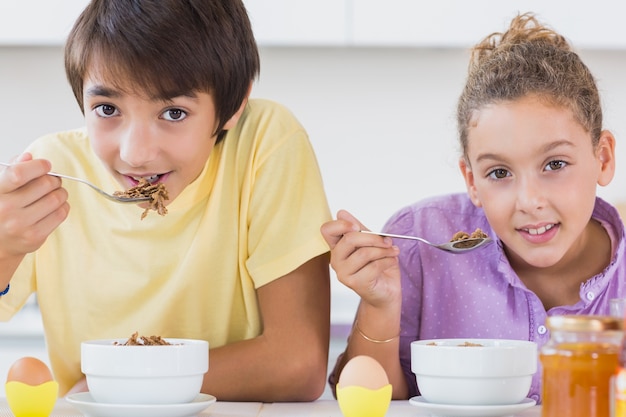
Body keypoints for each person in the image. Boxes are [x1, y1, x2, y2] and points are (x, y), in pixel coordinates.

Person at [0, 0, 332, 402]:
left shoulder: (263, 142)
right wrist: (4, 249)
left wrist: (126, 384)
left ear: (233, 106)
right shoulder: (54, 171)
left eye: (173, 113)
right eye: (107, 109)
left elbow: (297, 363)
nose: (135, 153)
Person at [321, 12, 624, 403]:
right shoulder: (419, 244)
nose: (529, 201)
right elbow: (373, 399)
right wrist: (381, 303)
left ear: (602, 158)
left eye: (555, 165)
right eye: (499, 172)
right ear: (471, 181)